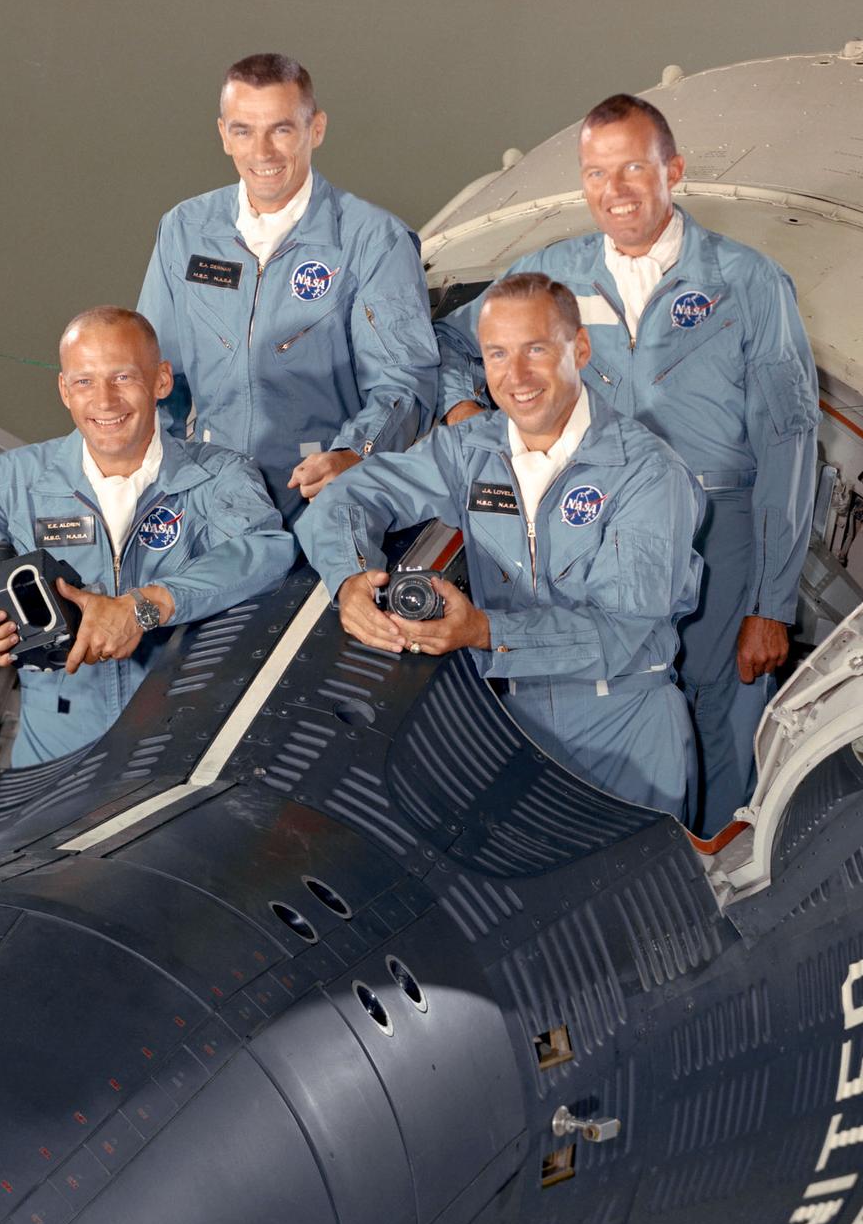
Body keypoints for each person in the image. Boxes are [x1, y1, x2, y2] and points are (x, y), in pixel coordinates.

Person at [436, 94, 818, 832]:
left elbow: (789, 441)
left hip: (720, 523)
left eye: (634, 169)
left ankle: (708, 869)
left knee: (722, 712)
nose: (615, 191)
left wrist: (771, 604)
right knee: (596, 693)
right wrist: (465, 414)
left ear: (673, 171)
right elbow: (450, 345)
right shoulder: (553, 274)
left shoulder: (749, 282)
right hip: (591, 520)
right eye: (596, 174)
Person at [299, 274, 704, 818]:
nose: (516, 377)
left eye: (536, 350)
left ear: (580, 349)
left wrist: (485, 632)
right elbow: (347, 495)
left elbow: (618, 631)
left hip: (624, 728)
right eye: (497, 354)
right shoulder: (469, 449)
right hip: (506, 727)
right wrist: (351, 578)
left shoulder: (648, 474)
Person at [0, 307, 297, 767]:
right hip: (55, 751)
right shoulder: (8, 482)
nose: (105, 401)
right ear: (64, 390)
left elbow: (265, 551)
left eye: (123, 377)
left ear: (161, 381)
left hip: (183, 742)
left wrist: (146, 606)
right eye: (84, 381)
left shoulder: (219, 474)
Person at [135, 52, 438, 521]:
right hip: (211, 500)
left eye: (281, 129)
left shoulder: (372, 240)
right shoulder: (185, 231)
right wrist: (157, 485)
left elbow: (403, 380)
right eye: (243, 131)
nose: (263, 153)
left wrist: (354, 453)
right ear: (223, 135)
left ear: (316, 129)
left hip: (318, 497)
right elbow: (155, 380)